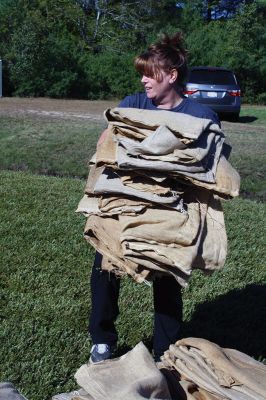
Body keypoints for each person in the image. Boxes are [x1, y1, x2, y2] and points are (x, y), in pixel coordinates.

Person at [89, 32, 220, 363]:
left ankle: (166, 350)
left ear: (171, 76)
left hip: (172, 209)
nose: (144, 80)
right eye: (142, 73)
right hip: (127, 202)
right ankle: (102, 341)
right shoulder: (133, 104)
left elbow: (212, 165)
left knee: (167, 276)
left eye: (150, 73)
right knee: (105, 263)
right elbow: (107, 141)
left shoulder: (201, 115)